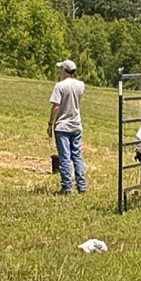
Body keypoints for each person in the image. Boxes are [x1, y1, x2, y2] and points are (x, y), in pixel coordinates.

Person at [48, 59, 87, 194]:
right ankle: (81, 185)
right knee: (77, 155)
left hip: (63, 126)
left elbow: (56, 107)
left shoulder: (60, 86)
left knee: (64, 157)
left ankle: (67, 187)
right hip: (76, 125)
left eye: (61, 69)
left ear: (65, 70)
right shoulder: (81, 85)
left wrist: (50, 123)